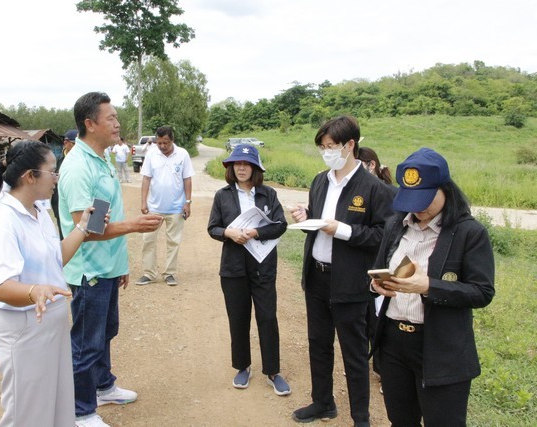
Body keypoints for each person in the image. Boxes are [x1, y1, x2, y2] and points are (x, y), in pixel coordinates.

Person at [58, 91, 163, 427]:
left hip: (106, 266)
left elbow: (102, 216)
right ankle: (80, 410)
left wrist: (120, 265)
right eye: (111, 118)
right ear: (90, 124)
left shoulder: (99, 159)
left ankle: (103, 386)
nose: (118, 124)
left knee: (104, 332)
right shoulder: (77, 167)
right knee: (86, 342)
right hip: (88, 270)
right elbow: (84, 228)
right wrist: (134, 225)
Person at [370, 147, 495, 427]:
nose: (418, 208)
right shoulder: (395, 226)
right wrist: (378, 286)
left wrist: (429, 286)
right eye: (411, 199)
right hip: (393, 343)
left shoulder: (469, 233)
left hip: (440, 348)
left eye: (425, 199)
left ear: (446, 190)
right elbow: (379, 270)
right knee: (401, 421)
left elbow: (482, 291)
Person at [0, 140, 98, 427]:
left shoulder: (39, 212)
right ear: (30, 176)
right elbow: (1, 286)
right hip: (25, 328)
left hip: (51, 323)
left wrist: (83, 228)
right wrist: (34, 291)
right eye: (52, 172)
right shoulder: (2, 222)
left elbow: (55, 261)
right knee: (26, 414)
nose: (57, 179)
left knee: (56, 406)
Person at [288, 115, 394, 426]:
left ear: (350, 145)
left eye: (331, 146)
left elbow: (382, 237)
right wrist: (306, 216)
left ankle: (361, 417)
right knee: (318, 343)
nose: (326, 152)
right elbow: (320, 223)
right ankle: (323, 403)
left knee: (354, 352)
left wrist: (343, 230)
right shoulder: (321, 181)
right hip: (318, 276)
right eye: (322, 147)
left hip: (350, 281)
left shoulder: (374, 189)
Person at [207, 144, 291, 396]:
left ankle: (273, 371)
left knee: (267, 317)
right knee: (238, 318)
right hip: (233, 268)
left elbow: (280, 225)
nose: (241, 168)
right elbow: (212, 228)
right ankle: (242, 366)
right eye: (237, 163)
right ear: (232, 167)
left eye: (247, 164)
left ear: (255, 168)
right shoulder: (222, 196)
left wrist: (256, 232)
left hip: (263, 267)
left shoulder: (269, 194)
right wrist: (228, 233)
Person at [136, 126, 194, 286]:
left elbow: (187, 179)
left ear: (172, 140)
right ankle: (149, 273)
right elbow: (146, 178)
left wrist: (188, 203)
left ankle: (169, 273)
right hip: (154, 207)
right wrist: (143, 202)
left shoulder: (182, 154)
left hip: (176, 208)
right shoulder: (151, 154)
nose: (162, 146)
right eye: (159, 143)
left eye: (165, 143)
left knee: (173, 242)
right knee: (148, 240)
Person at [357, 146, 396, 377]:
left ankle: (383, 370)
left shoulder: (388, 193)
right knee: (365, 318)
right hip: (364, 264)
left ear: (371, 165)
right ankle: (364, 363)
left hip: (383, 264)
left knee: (381, 319)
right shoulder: (360, 191)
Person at [51, 129, 77, 239]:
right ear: (66, 143)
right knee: (65, 235)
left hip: (79, 203)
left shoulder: (84, 160)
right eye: (75, 144)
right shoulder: (55, 162)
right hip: (60, 204)